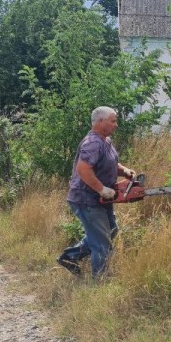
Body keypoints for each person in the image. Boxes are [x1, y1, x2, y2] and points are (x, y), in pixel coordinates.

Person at [56, 106, 137, 277]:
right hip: (86, 200)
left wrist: (124, 171)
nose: (116, 125)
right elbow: (83, 169)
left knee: (111, 231)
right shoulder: (92, 143)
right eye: (113, 121)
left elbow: (110, 163)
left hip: (102, 199)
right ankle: (99, 281)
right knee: (101, 243)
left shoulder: (105, 141)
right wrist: (101, 189)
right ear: (100, 122)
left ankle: (70, 257)